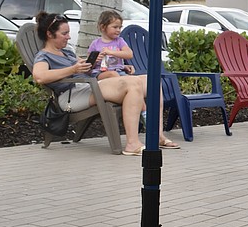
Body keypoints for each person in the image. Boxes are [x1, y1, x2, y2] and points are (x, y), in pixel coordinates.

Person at [31, 12, 180, 155]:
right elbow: (39, 77)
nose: (69, 37)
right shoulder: (43, 56)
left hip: (89, 84)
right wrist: (73, 68)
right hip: (72, 94)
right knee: (132, 84)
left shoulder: (67, 52)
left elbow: (82, 68)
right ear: (50, 35)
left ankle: (158, 136)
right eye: (64, 33)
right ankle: (132, 144)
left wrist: (91, 63)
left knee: (151, 81)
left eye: (68, 33)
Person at [88, 10, 135, 80]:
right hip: (100, 73)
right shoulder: (95, 43)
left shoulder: (119, 41)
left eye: (120, 27)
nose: (118, 30)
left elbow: (129, 54)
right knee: (113, 75)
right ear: (103, 27)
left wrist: (111, 52)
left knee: (134, 80)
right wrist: (96, 60)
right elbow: (88, 65)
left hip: (119, 71)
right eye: (115, 27)